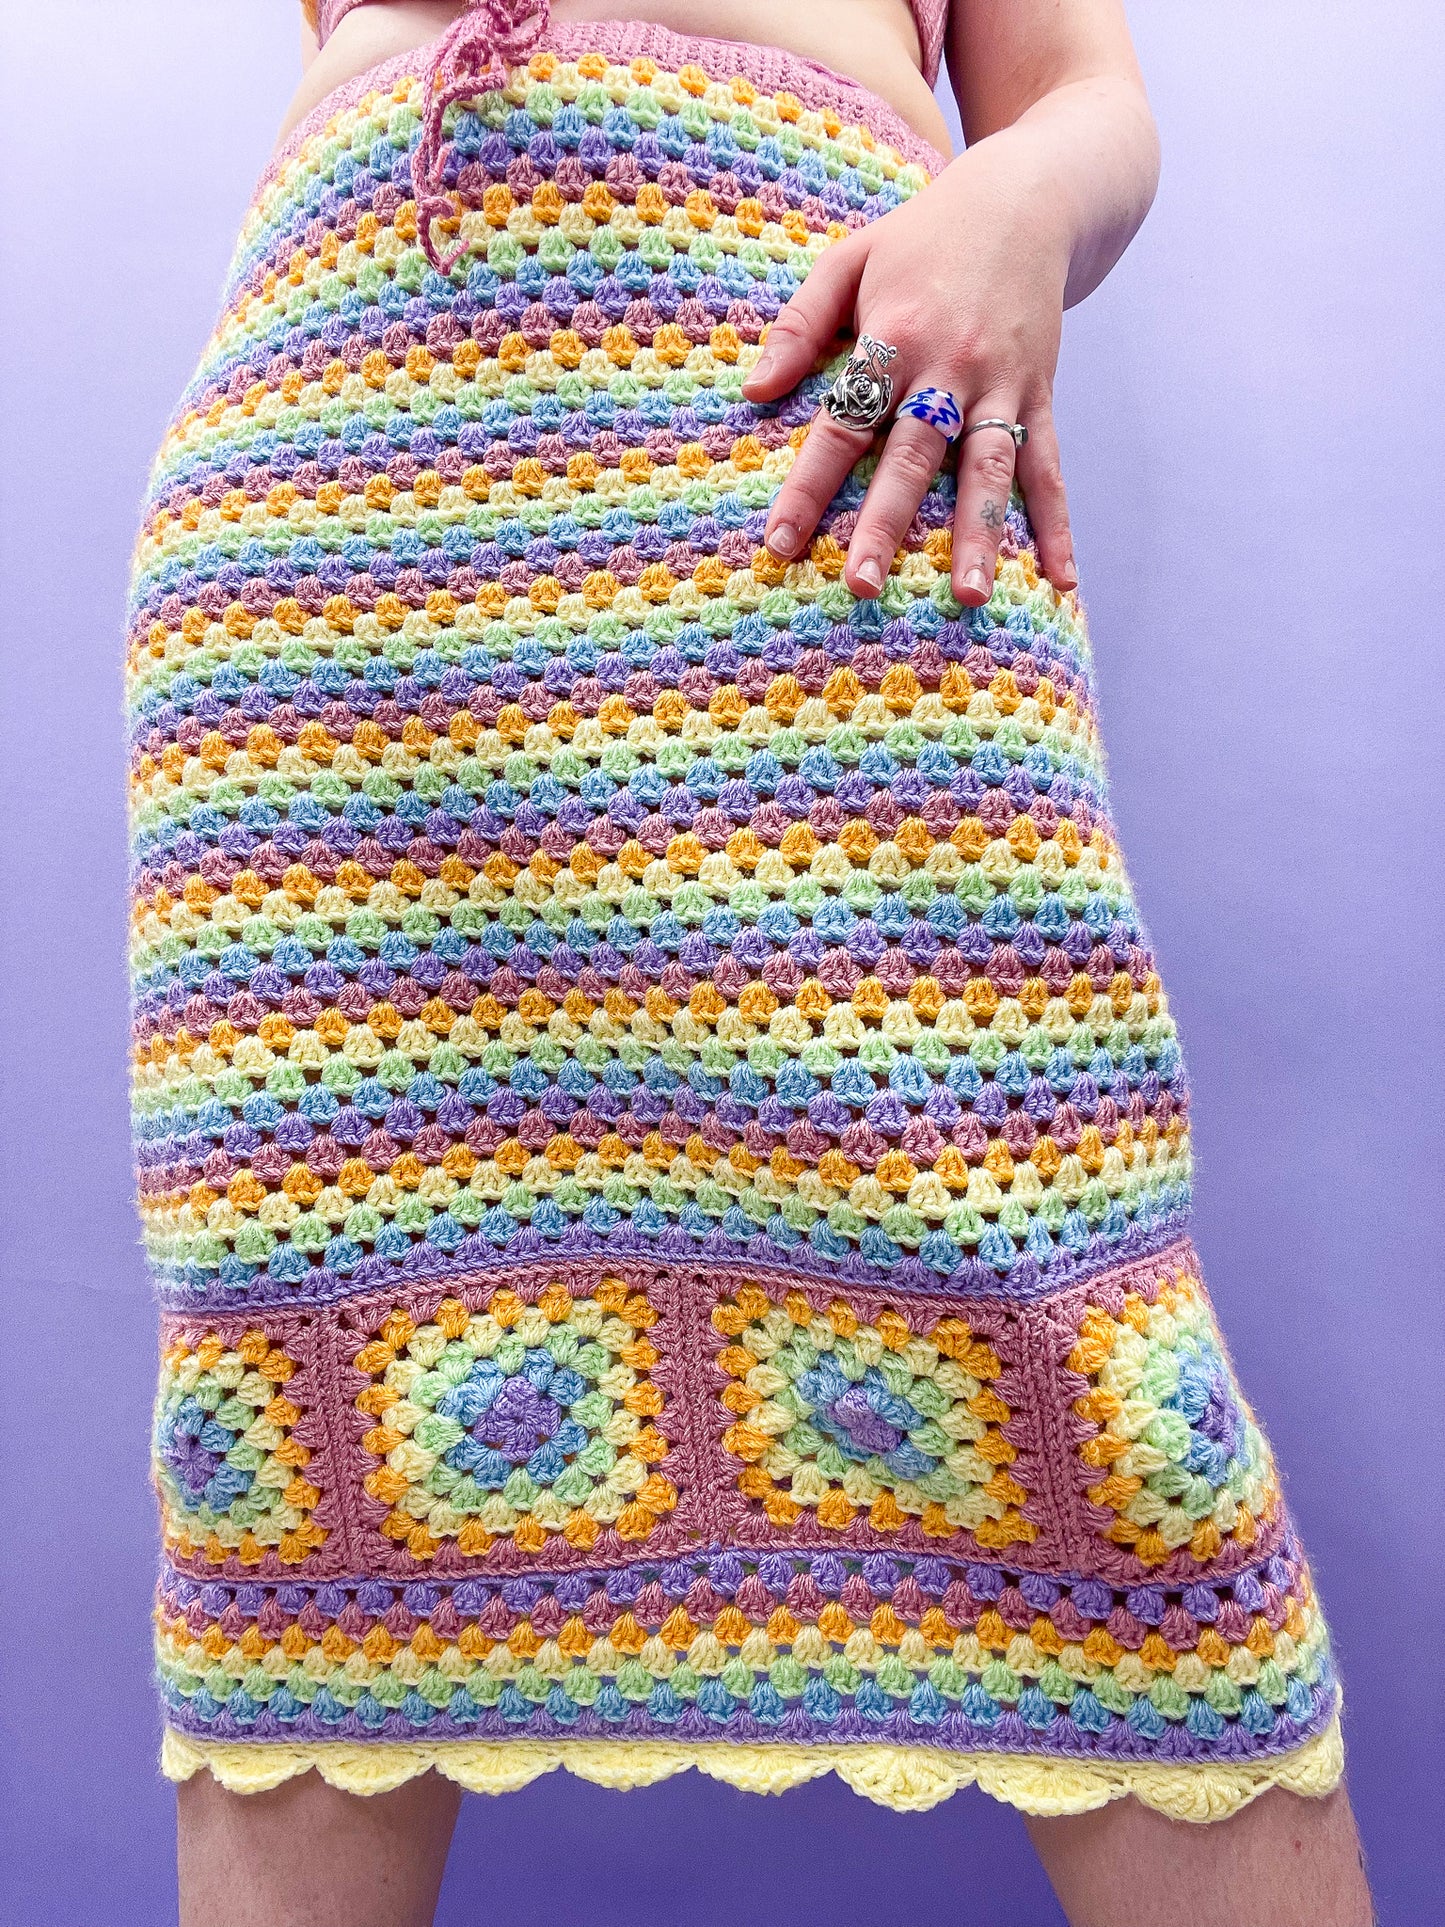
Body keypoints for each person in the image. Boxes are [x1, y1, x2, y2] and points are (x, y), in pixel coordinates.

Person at [126, 3, 1375, 1923]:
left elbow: (1086, 102)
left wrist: (1017, 197)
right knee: (301, 1385)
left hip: (824, 499)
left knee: (1079, 1365)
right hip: (338, 560)